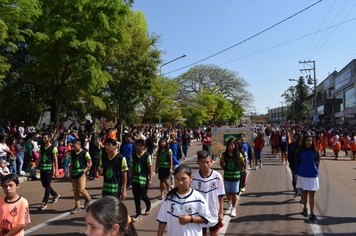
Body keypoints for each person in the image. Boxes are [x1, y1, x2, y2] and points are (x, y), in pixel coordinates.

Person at [157, 164, 216, 236]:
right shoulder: (169, 197)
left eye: (183, 179)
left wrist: (191, 219)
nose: (180, 182)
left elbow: (206, 218)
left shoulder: (198, 198)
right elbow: (163, 220)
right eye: (177, 179)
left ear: (191, 178)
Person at [191, 151, 224, 236]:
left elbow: (220, 196)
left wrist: (221, 212)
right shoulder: (194, 178)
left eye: (207, 162)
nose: (205, 165)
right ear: (198, 163)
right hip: (199, 214)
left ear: (211, 161)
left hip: (213, 213)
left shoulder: (217, 176)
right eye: (202, 162)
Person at [296, 134, 320, 222]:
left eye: (310, 140)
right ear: (304, 142)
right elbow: (298, 162)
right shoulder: (300, 151)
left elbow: (317, 162)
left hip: (313, 174)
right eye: (307, 140)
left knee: (312, 193)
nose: (308, 142)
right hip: (303, 174)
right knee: (304, 191)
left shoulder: (315, 151)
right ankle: (305, 208)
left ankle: (312, 213)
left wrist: (315, 170)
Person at [35, 132, 60, 210]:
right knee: (44, 185)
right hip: (42, 168)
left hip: (49, 169)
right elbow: (39, 158)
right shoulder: (42, 148)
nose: (43, 139)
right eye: (43, 138)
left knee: (47, 186)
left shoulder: (53, 148)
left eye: (45, 138)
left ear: (49, 138)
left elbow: (55, 160)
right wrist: (36, 168)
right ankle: (55, 194)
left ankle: (44, 202)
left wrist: (56, 171)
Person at [219, 139, 244, 217]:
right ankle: (229, 201)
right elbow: (221, 163)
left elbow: (242, 163)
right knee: (227, 192)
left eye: (232, 145)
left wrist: (238, 169)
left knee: (234, 192)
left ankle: (233, 208)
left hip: (236, 176)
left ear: (235, 146)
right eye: (229, 145)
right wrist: (225, 169)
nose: (231, 147)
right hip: (227, 175)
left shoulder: (238, 154)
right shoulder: (224, 154)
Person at [130, 139, 152, 223]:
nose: (138, 147)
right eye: (136, 145)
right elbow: (132, 168)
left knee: (143, 195)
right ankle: (138, 213)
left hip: (143, 180)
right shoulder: (133, 156)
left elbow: (150, 168)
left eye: (140, 146)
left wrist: (150, 180)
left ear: (143, 147)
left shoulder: (147, 156)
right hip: (135, 180)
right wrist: (131, 179)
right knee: (136, 197)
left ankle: (148, 204)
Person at [69, 139, 92, 214]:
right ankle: (77, 206)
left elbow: (90, 163)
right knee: (75, 191)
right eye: (72, 146)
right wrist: (70, 175)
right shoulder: (72, 154)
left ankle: (87, 198)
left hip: (81, 173)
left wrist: (84, 171)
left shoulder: (85, 153)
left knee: (81, 189)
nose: (73, 147)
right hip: (74, 174)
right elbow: (71, 165)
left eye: (75, 146)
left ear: (79, 145)